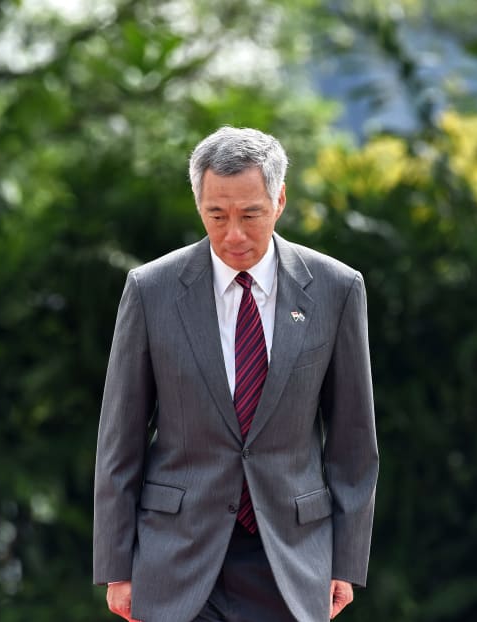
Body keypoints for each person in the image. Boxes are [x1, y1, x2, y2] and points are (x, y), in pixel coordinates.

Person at [93, 126, 378, 622]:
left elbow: (354, 440)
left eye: (251, 214)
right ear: (198, 203)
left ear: (280, 200)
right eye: (216, 215)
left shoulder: (337, 288)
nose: (233, 235)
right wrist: (116, 565)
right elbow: (121, 438)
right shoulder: (150, 289)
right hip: (176, 556)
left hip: (290, 557)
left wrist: (347, 561)